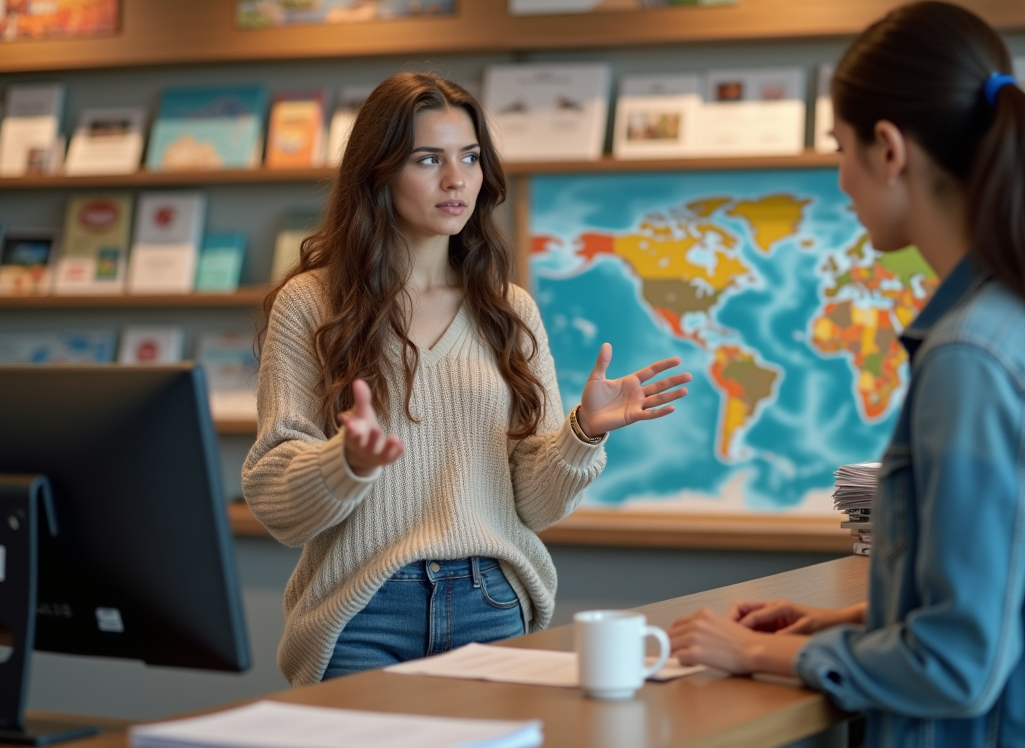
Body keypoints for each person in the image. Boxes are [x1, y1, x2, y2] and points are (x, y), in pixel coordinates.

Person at [668, 0, 1025, 747]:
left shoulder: (972, 358)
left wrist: (764, 652)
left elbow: (958, 664)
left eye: (840, 148)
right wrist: (847, 619)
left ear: (890, 149)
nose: (839, 181)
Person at [243, 71, 691, 687]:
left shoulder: (509, 310)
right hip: (363, 611)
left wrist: (581, 434)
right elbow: (275, 502)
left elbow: (533, 506)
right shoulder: (311, 305)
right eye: (428, 159)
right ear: (378, 171)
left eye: (471, 158)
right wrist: (344, 462)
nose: (457, 180)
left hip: (491, 603)